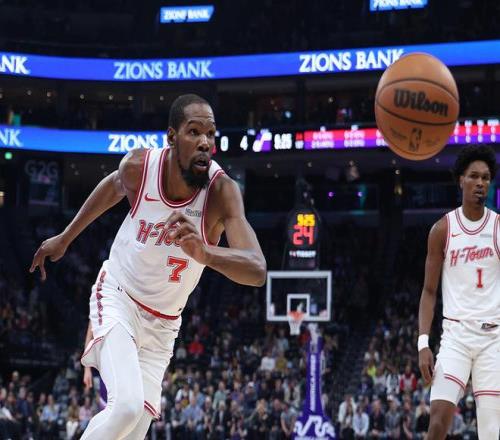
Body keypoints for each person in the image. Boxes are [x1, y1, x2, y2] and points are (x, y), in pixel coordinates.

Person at [30, 94, 267, 439]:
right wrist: (65, 238)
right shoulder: (140, 167)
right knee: (126, 406)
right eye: (194, 132)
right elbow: (112, 186)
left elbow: (257, 269)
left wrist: (205, 253)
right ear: (172, 136)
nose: (205, 142)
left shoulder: (221, 192)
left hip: (164, 325)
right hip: (119, 296)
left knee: (134, 429)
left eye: (210, 134)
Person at [418, 145, 500, 440]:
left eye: (486, 178)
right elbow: (429, 291)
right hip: (456, 337)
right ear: (461, 180)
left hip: (493, 339)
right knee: (437, 424)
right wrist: (423, 343)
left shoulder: (498, 227)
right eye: (474, 176)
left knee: (491, 432)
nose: (480, 183)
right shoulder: (442, 229)